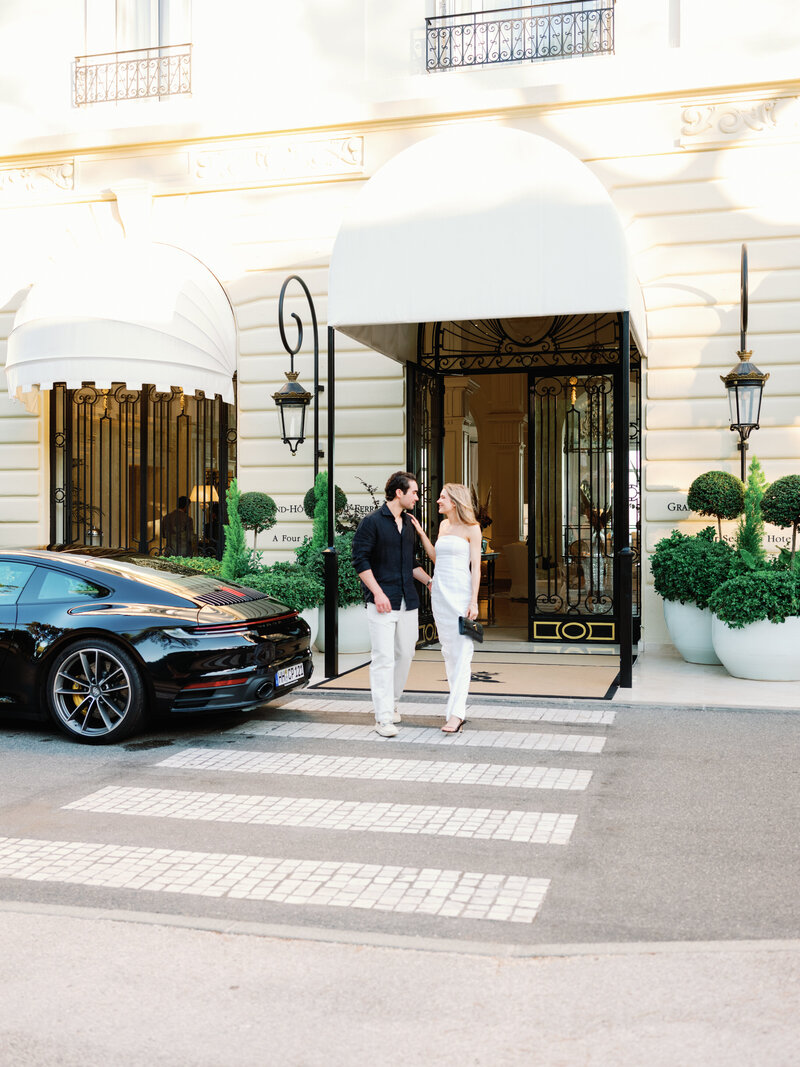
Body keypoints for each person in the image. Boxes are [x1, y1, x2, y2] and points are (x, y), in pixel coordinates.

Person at [351, 471, 432, 738]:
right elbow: (360, 561)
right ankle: (383, 717)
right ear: (399, 492)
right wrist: (378, 593)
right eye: (414, 492)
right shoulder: (371, 522)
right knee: (383, 658)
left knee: (406, 654)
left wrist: (429, 582)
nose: (417, 498)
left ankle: (393, 702)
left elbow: (410, 563)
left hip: (408, 600)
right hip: (382, 603)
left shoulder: (408, 523)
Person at [410, 483, 481, 733]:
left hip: (461, 595)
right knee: (449, 652)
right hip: (440, 594)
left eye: (442, 497)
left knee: (463, 652)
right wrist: (421, 533)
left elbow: (476, 567)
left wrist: (474, 601)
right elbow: (437, 558)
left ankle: (457, 713)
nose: (438, 501)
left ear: (455, 501)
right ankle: (454, 708)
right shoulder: (443, 526)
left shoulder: (472, 528)